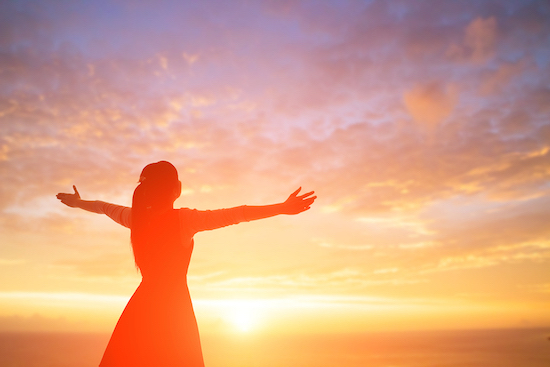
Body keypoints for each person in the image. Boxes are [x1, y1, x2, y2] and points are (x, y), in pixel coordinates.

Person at [56, 161, 316, 367]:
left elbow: (102, 207)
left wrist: (78, 203)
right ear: (175, 190)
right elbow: (238, 214)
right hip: (174, 308)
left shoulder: (134, 218)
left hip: (141, 305)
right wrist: (281, 207)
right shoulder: (183, 221)